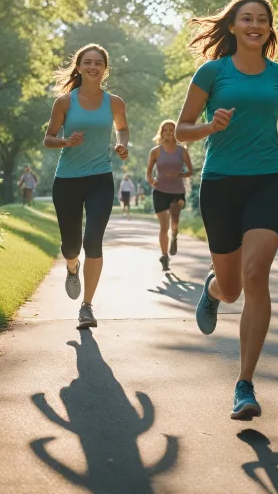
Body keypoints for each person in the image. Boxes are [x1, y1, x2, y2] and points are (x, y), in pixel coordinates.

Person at [176, 0, 278, 420]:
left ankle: (245, 384)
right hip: (221, 184)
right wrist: (210, 125)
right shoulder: (213, 72)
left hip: (267, 180)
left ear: (269, 28)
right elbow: (181, 131)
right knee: (231, 289)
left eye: (262, 19)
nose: (255, 24)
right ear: (232, 26)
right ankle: (213, 289)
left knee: (256, 276)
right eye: (246, 18)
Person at [44, 43, 129, 330]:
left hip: (100, 179)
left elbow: (123, 127)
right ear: (79, 67)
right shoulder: (65, 102)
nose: (93, 67)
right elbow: (48, 138)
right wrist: (65, 142)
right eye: (88, 62)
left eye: (99, 63)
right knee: (72, 246)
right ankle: (72, 266)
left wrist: (122, 144)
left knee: (93, 240)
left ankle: (87, 307)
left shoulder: (114, 102)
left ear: (105, 69)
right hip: (67, 180)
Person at [146, 120, 194, 270]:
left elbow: (190, 171)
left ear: (175, 132)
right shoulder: (155, 151)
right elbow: (148, 173)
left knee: (174, 225)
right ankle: (164, 256)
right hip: (160, 191)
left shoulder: (182, 151)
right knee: (163, 226)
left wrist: (179, 173)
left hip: (177, 192)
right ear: (161, 132)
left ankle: (174, 235)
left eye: (171, 130)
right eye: (165, 130)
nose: (168, 132)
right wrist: (151, 181)